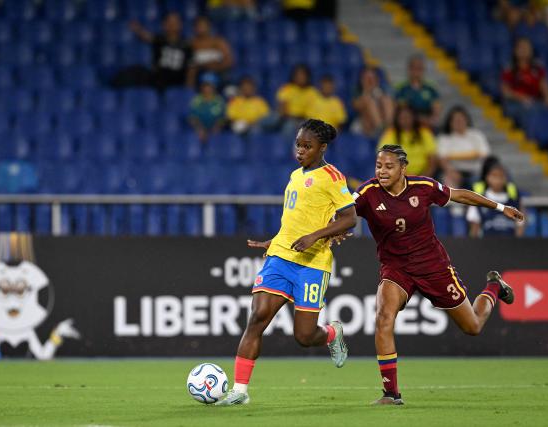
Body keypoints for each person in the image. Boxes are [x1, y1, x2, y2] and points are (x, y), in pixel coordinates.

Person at [348, 145, 523, 405]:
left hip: (433, 266)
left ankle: (494, 286)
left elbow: (459, 195)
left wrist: (499, 207)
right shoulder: (367, 193)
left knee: (472, 326)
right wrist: (334, 230)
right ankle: (391, 394)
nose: (382, 172)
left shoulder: (423, 186)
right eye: (378, 166)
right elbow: (345, 212)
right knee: (384, 316)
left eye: (388, 166)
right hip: (396, 268)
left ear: (402, 168)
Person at [215, 119, 358, 406]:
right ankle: (240, 391)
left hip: (312, 263)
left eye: (307, 146)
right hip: (281, 256)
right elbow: (294, 220)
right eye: (298, 145)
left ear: (322, 148)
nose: (300, 151)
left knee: (304, 336)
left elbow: (349, 218)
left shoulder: (332, 177)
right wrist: (275, 240)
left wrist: (314, 236)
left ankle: (331, 333)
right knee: (256, 318)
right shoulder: (295, 176)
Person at [111, 12, 193, 92]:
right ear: (164, 25)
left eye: (175, 22)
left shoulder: (186, 44)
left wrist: (187, 89)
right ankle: (113, 91)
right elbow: (146, 37)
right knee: (137, 71)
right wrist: (138, 29)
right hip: (158, 79)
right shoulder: (160, 40)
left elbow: (190, 68)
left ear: (180, 25)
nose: (172, 25)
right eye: (169, 22)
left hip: (175, 81)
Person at [467, 157, 524, 237]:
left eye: (501, 176)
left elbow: (520, 223)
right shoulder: (479, 199)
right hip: (487, 244)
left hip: (510, 244)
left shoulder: (514, 199)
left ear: (506, 178)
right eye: (494, 176)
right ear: (487, 177)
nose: (498, 180)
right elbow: (474, 227)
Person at [500, 37, 548, 124]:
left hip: (536, 101)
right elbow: (505, 91)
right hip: (516, 103)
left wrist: (547, 98)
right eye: (521, 47)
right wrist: (522, 98)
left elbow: (543, 85)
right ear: (515, 51)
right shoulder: (509, 68)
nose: (524, 50)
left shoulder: (538, 67)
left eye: (527, 47)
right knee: (531, 111)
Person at [378, 104, 438, 177]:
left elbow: (432, 160)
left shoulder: (425, 133)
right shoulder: (390, 134)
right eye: (402, 117)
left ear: (414, 118)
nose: (405, 120)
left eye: (408, 117)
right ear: (397, 119)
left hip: (424, 177)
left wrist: (423, 178)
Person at [437, 105, 491, 185]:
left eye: (461, 119)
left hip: (476, 172)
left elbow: (485, 154)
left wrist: (453, 156)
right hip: (453, 172)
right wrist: (451, 172)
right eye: (456, 120)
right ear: (450, 122)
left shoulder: (476, 135)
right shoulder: (444, 138)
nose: (459, 122)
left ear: (467, 120)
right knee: (448, 182)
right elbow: (442, 159)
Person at [394, 55, 441, 129]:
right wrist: (419, 119)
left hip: (427, 124)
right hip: (407, 123)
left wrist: (433, 119)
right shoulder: (401, 88)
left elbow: (436, 109)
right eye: (414, 68)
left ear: (423, 70)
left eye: (419, 68)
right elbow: (402, 109)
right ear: (409, 69)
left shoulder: (431, 88)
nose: (416, 71)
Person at [275, 64, 320, 135]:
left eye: (303, 75)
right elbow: (283, 108)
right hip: (289, 118)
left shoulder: (313, 92)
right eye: (298, 75)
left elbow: (315, 111)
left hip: (305, 119)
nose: (301, 77)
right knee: (286, 124)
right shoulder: (287, 88)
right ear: (293, 76)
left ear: (308, 77)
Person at [352, 66, 395, 137]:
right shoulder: (358, 92)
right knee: (368, 100)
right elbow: (356, 106)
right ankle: (381, 130)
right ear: (362, 80)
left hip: (381, 124)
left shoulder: (382, 92)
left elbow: (393, 105)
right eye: (367, 79)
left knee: (386, 100)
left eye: (372, 79)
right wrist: (366, 92)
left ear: (377, 80)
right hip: (362, 126)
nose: (370, 81)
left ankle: (389, 129)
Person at [190, 16, 234, 83]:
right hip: (199, 75)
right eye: (199, 26)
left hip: (219, 74)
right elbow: (190, 64)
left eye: (203, 25)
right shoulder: (191, 44)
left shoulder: (218, 42)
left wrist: (215, 67)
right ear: (194, 28)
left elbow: (229, 61)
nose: (201, 28)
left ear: (209, 27)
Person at [188, 73, 226, 143]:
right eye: (205, 86)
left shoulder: (220, 100)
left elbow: (223, 118)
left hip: (216, 131)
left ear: (214, 87)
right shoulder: (196, 100)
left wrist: (217, 127)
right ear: (201, 87)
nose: (207, 88)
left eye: (210, 86)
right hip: (198, 131)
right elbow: (192, 118)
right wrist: (200, 129)